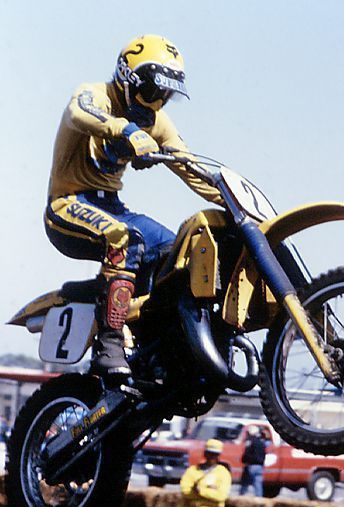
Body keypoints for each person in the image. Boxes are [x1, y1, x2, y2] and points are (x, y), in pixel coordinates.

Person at [45, 34, 223, 384]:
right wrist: (124, 129)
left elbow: (187, 165)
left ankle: (153, 344)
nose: (157, 102)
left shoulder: (156, 121)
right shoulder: (96, 94)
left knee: (176, 250)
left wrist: (231, 198)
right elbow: (78, 112)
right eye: (153, 91)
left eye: (166, 95)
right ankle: (109, 343)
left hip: (112, 206)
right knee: (124, 238)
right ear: (128, 79)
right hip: (67, 204)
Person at [239, 425, 267, 497]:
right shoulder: (262, 442)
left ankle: (242, 497)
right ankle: (259, 499)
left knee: (245, 483)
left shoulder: (250, 442)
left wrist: (244, 460)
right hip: (260, 466)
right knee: (258, 484)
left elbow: (247, 454)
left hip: (251, 465)